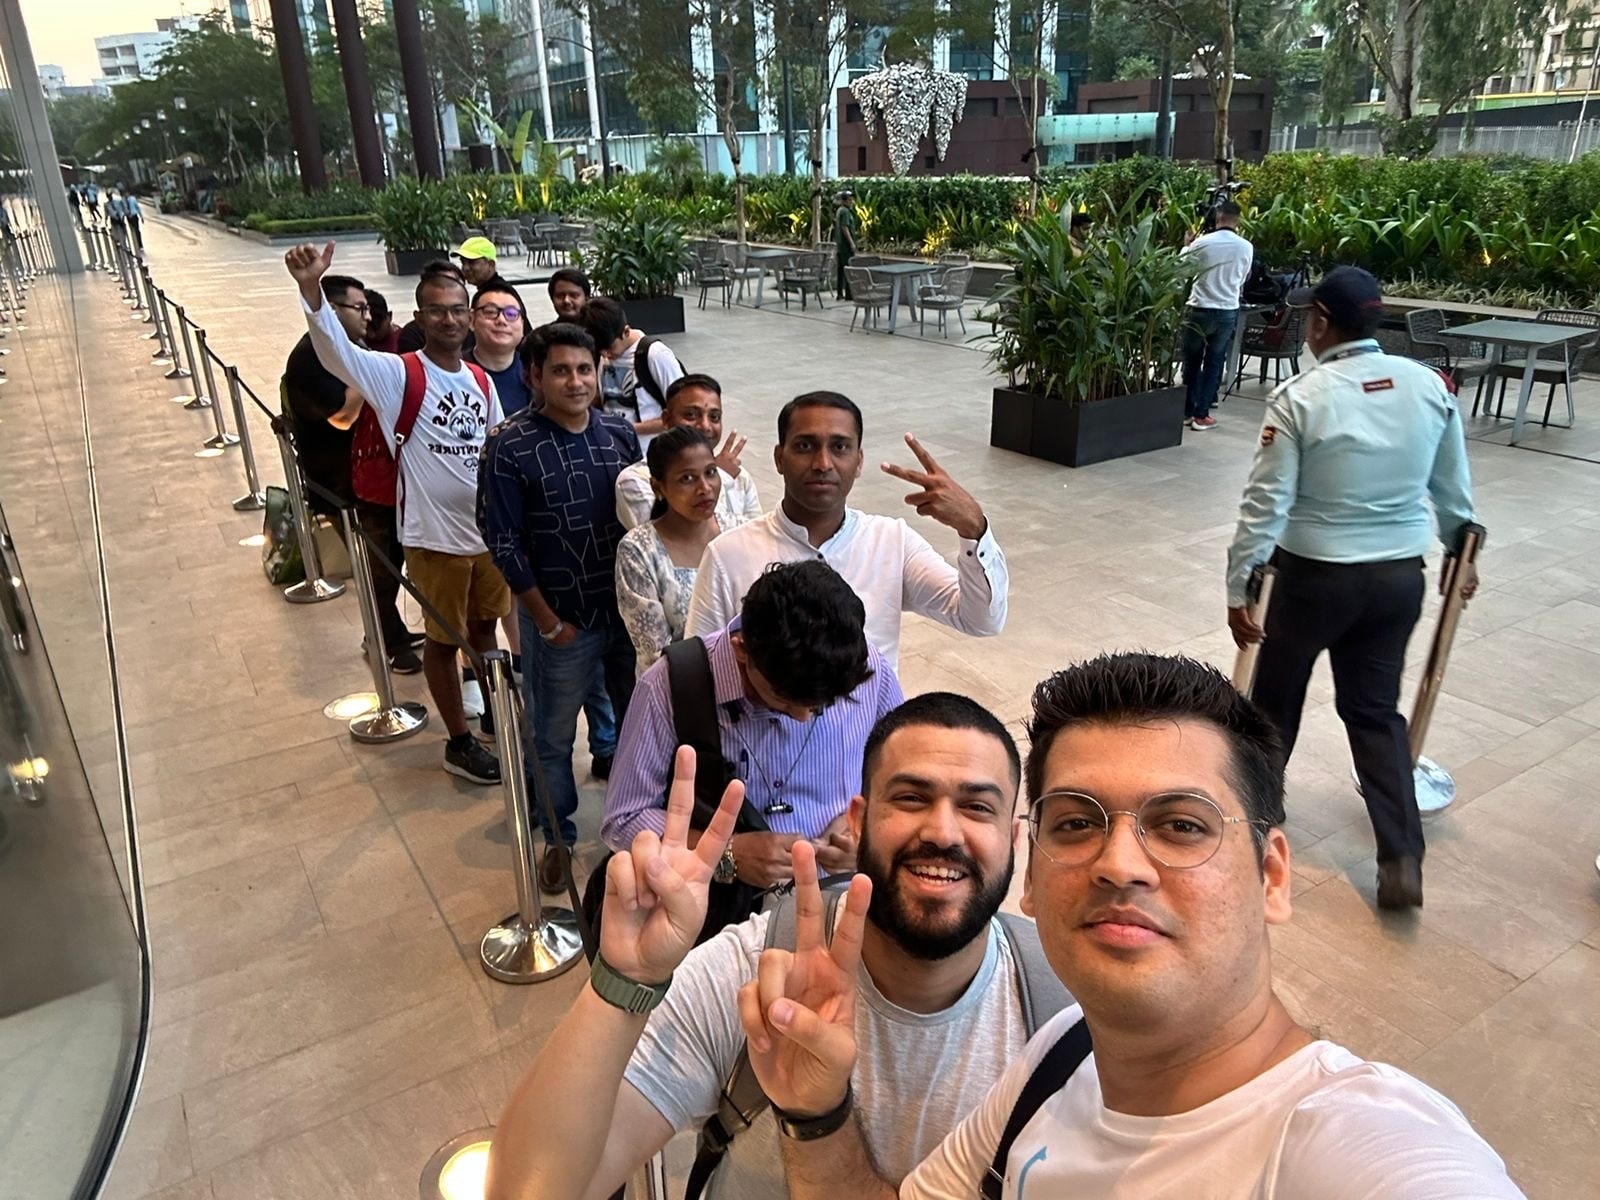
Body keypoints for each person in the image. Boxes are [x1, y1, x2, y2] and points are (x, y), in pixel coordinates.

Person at [745, 652, 1524, 1200]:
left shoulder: (1341, 1144)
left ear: (1272, 877)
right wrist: (818, 1115)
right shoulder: (1059, 1058)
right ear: (1030, 868)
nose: (1120, 863)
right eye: (1077, 823)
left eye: (1182, 826)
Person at [486, 691, 1054, 1200]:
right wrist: (622, 983)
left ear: (1013, 838)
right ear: (857, 823)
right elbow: (528, 1191)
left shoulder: (1064, 1012)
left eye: (977, 806)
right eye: (910, 798)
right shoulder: (757, 972)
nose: (943, 832)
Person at [1225, 266, 1477, 912]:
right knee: (1375, 712)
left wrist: (1240, 586)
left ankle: (1255, 837)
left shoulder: (1303, 396)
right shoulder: (1429, 387)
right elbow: (1453, 488)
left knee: (1274, 705)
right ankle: (1400, 855)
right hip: (1397, 579)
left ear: (1320, 324)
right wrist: (1461, 549)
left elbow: (1266, 505)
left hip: (1313, 578)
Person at [287, 240, 506, 785]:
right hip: (433, 538)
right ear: (419, 316)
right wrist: (311, 289)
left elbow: (498, 446)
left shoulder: (480, 380)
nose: (450, 318)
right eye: (437, 309)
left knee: (484, 628)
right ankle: (458, 740)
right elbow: (337, 352)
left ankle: (488, 712)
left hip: (485, 537)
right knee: (441, 639)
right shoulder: (397, 373)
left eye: (459, 308)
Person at [604, 558, 904, 877]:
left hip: (841, 891)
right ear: (741, 650)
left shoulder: (862, 666)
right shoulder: (668, 687)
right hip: (725, 909)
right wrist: (726, 854)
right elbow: (624, 819)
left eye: (822, 706)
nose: (802, 718)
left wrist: (867, 829)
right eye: (783, 700)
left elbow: (905, 771)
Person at [477, 322, 642, 893]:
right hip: (561, 622)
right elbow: (503, 541)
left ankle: (633, 824)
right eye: (561, 370)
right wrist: (545, 623)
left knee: (638, 723)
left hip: (627, 617)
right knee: (549, 735)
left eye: (584, 369)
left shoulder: (619, 435)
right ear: (535, 377)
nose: (575, 381)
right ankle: (556, 834)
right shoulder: (510, 444)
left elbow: (644, 522)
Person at [686, 392, 1007, 669]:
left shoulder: (892, 542)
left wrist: (973, 528)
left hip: (870, 737)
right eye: (805, 446)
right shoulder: (729, 554)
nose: (823, 462)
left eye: (840, 447)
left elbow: (981, 620)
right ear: (779, 458)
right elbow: (699, 670)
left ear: (859, 461)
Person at [280, 272, 420, 676]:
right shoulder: (309, 358)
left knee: (391, 559)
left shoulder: (352, 349)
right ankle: (387, 642)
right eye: (358, 308)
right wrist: (368, 377)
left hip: (374, 478)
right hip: (341, 483)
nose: (366, 315)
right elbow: (342, 416)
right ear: (331, 309)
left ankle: (388, 631)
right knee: (375, 566)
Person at [614, 426, 724, 678]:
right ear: (658, 487)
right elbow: (654, 654)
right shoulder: (639, 550)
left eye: (711, 472)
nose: (705, 487)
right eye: (687, 478)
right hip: (679, 693)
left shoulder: (735, 530)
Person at [615, 373, 762, 532]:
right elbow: (666, 539)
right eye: (691, 415)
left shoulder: (740, 476)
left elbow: (756, 538)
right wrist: (722, 476)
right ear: (666, 419)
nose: (705, 425)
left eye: (714, 417)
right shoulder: (634, 479)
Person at [1179, 199, 1253, 431]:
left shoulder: (1201, 243)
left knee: (1191, 361)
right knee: (1214, 362)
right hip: (1226, 310)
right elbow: (1243, 279)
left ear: (1217, 218)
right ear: (1237, 221)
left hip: (1198, 308)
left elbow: (1182, 269)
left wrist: (1185, 245)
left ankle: (1187, 411)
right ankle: (1202, 415)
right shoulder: (1245, 246)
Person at [582, 296, 686, 450]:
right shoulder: (603, 355)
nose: (605, 355)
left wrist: (630, 428)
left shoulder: (655, 355)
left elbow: (683, 413)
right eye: (600, 350)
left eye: (610, 348)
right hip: (615, 449)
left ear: (625, 332)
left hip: (651, 454)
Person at [467, 285, 535, 416]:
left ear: (522, 324)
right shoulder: (454, 371)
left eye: (511, 314)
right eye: (491, 312)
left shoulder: (536, 373)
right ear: (471, 320)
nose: (501, 320)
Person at [395, 260, 466, 353]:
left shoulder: (474, 329)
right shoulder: (412, 335)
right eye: (437, 311)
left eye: (458, 310)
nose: (450, 321)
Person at [835, 189, 858, 300]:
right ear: (844, 201)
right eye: (849, 200)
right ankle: (849, 294)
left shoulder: (840, 210)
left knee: (841, 270)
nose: (851, 202)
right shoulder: (845, 212)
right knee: (848, 269)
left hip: (840, 247)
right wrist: (852, 243)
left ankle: (839, 293)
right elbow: (845, 228)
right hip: (845, 247)